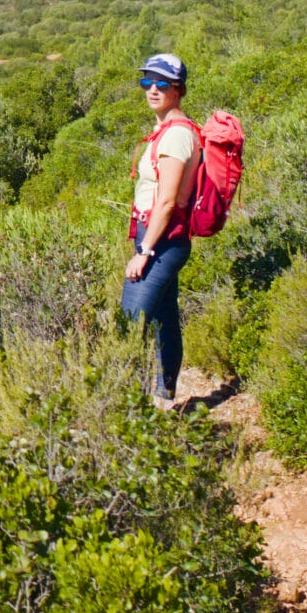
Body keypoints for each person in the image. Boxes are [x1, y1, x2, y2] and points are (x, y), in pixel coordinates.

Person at [123, 52, 199, 407]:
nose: (152, 89)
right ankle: (163, 396)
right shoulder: (167, 131)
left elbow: (167, 201)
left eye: (162, 84)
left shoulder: (177, 136)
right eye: (146, 82)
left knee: (129, 323)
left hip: (161, 242)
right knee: (165, 319)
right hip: (162, 239)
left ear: (178, 89)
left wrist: (144, 252)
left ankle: (130, 406)